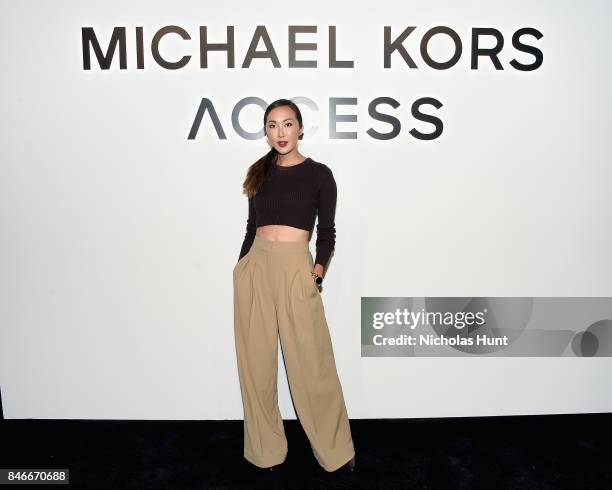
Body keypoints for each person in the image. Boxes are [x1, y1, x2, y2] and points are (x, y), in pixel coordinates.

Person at [232, 99, 356, 473]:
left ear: (300, 128)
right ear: (266, 131)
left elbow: (328, 232)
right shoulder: (259, 173)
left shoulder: (320, 174)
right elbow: (251, 229)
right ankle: (264, 451)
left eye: (288, 124)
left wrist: (316, 273)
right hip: (255, 268)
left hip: (294, 268)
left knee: (311, 363)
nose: (280, 132)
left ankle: (336, 451)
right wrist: (241, 268)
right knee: (255, 365)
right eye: (272, 125)